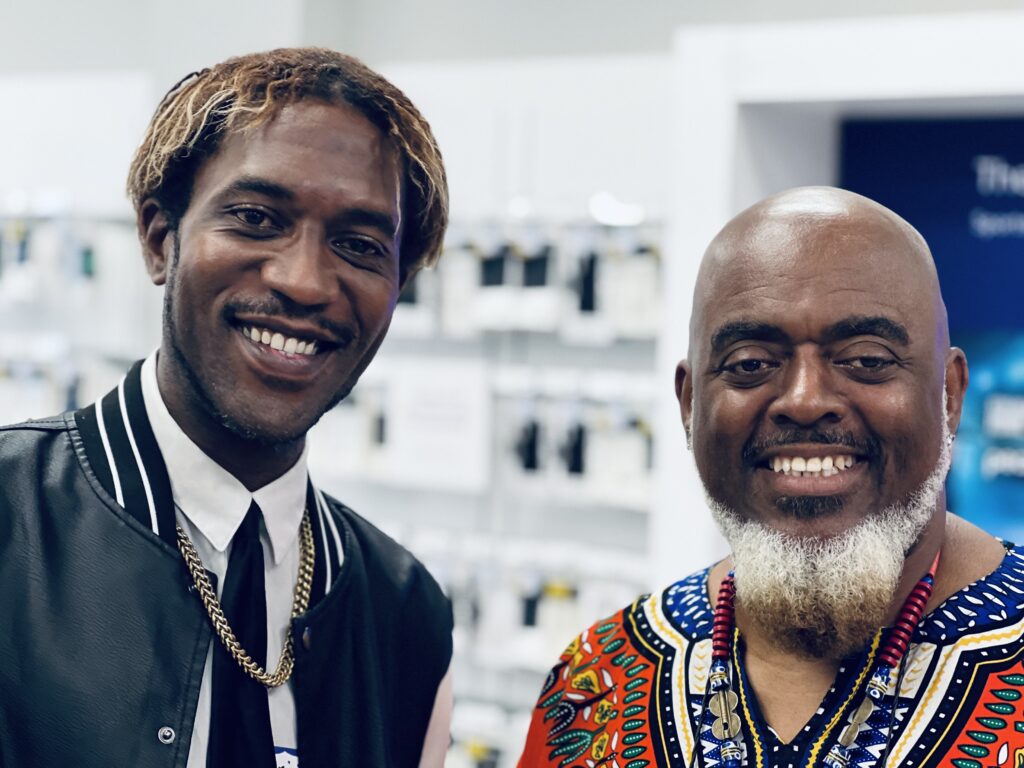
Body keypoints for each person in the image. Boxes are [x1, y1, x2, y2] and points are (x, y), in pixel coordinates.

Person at [0, 48, 453, 768]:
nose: (304, 282)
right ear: (158, 238)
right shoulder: (15, 519)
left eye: (359, 245)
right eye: (255, 218)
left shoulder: (400, 611)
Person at [518, 187, 1024, 768]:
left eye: (866, 359)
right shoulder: (596, 682)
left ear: (949, 395)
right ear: (689, 406)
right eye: (751, 365)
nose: (805, 401)